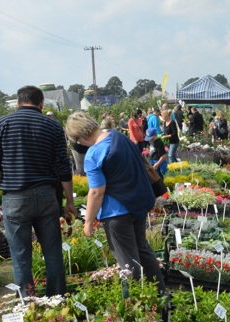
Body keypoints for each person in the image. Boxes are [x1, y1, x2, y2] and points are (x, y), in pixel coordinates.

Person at [0, 85, 74, 296]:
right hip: (46, 195)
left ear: (18, 103)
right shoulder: (52, 126)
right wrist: (69, 201)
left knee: (20, 257)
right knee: (53, 254)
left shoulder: (1, 125)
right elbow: (63, 166)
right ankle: (57, 300)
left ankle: (27, 304)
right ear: (41, 104)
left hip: (15, 197)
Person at [65, 112, 166, 293]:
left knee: (128, 261)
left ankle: (138, 301)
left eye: (77, 141)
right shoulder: (120, 137)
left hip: (116, 213)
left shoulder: (94, 154)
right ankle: (160, 293)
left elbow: (96, 192)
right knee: (143, 250)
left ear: (81, 136)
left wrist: (88, 222)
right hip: (137, 204)